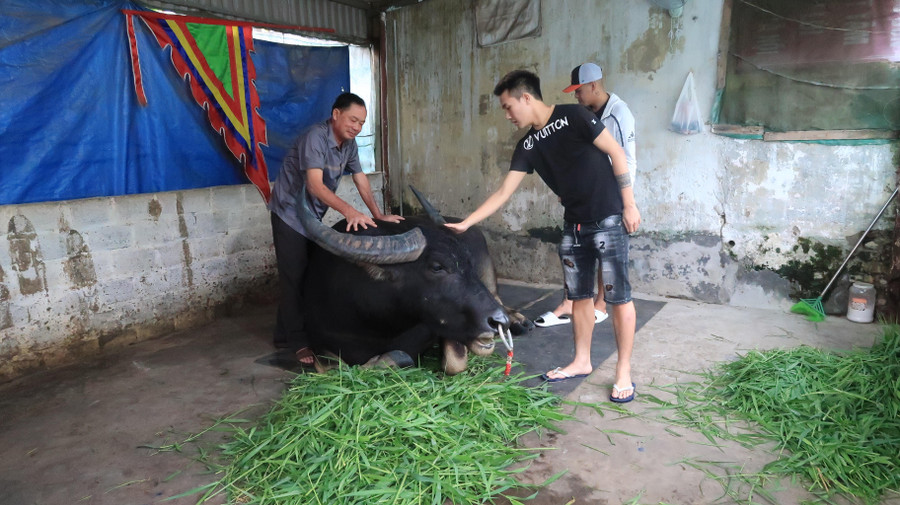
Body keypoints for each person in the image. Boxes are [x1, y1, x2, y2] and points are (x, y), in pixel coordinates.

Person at [445, 70, 641, 402]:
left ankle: (623, 371)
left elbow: (617, 153)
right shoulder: (528, 145)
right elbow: (504, 191)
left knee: (617, 296)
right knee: (578, 297)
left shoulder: (574, 115)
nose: (507, 115)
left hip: (608, 215)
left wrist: (630, 205)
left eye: (508, 107)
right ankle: (581, 361)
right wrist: (466, 223)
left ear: (526, 97)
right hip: (575, 224)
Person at [268, 92, 404, 365]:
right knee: (293, 277)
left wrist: (377, 214)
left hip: (313, 217)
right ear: (336, 114)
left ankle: (283, 333)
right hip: (289, 214)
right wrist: (349, 211)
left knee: (306, 274)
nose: (357, 126)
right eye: (353, 119)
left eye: (362, 123)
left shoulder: (349, 145)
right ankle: (298, 342)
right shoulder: (315, 138)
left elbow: (361, 179)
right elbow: (315, 186)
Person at [534, 62, 637, 329]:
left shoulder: (619, 114)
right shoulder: (582, 114)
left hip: (610, 195)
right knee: (577, 250)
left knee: (607, 251)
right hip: (586, 195)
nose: (576, 96)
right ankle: (574, 302)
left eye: (579, 90)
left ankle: (601, 304)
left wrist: (628, 204)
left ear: (594, 85)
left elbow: (626, 159)